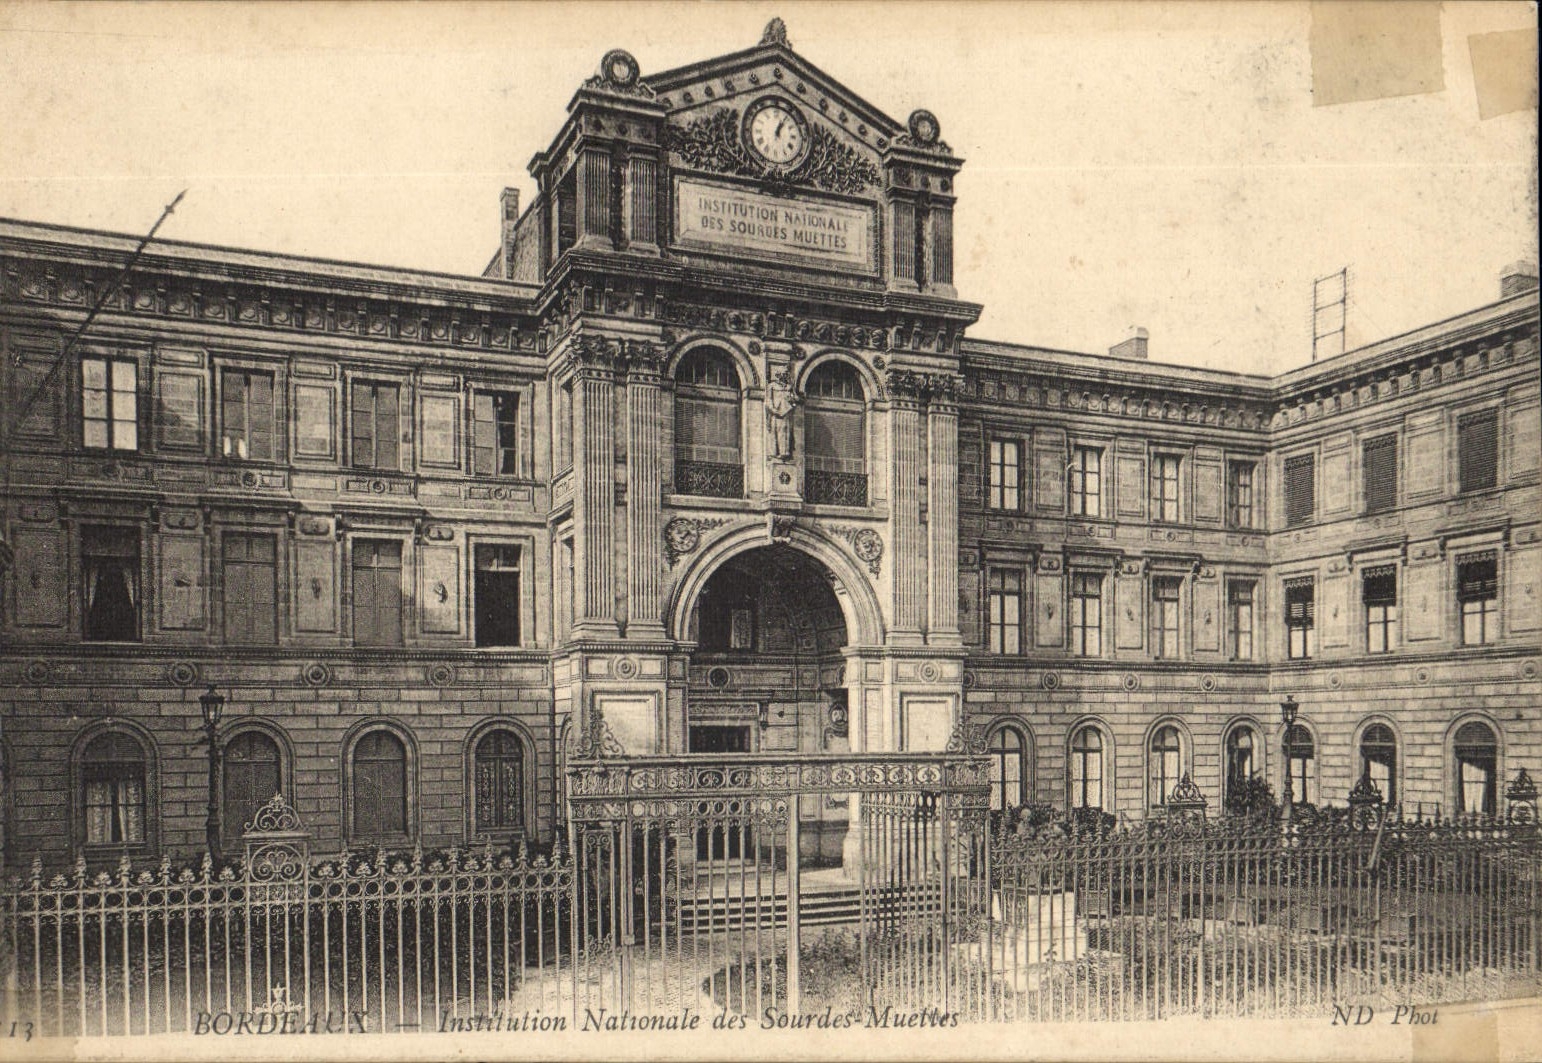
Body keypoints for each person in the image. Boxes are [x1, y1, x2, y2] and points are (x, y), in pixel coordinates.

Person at [767, 369, 796, 458]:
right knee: (774, 432)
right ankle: (774, 453)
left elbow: (793, 399)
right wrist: (773, 409)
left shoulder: (788, 387)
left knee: (785, 432)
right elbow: (769, 399)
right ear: (778, 375)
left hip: (786, 411)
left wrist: (792, 401)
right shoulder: (772, 386)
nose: (784, 376)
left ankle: (784, 452)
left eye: (786, 374)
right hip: (776, 412)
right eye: (783, 374)